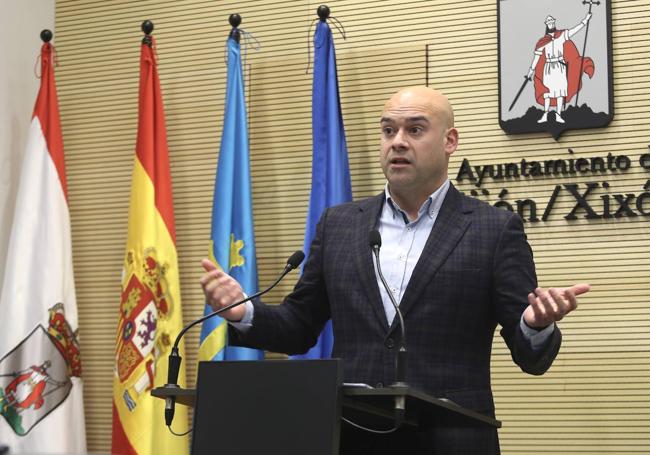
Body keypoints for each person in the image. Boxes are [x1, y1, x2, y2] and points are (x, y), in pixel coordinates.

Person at [200, 86, 590, 454]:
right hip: (351, 435)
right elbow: (299, 326)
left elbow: (529, 355)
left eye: (415, 129)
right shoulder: (340, 225)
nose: (397, 141)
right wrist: (244, 312)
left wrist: (536, 325)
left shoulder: (493, 229)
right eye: (389, 130)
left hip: (451, 439)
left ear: (449, 142)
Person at [526, 14, 594, 124]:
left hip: (559, 66)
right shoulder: (542, 41)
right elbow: (536, 58)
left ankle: (558, 115)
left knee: (560, 92)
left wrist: (585, 20)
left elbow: (574, 30)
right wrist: (530, 71)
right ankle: (545, 115)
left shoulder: (561, 35)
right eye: (548, 21)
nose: (550, 23)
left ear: (554, 22)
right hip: (548, 67)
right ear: (546, 24)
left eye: (551, 21)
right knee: (547, 92)